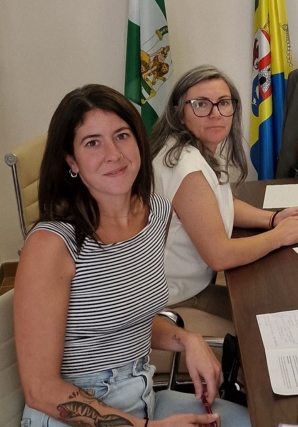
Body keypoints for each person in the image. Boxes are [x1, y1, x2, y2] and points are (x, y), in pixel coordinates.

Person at [14, 84, 250, 426]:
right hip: (71, 415)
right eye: (92, 143)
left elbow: (124, 320)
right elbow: (41, 389)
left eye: (122, 136)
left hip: (142, 399)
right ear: (71, 161)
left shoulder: (156, 213)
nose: (114, 154)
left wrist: (187, 340)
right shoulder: (52, 245)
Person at [150, 65, 298, 322]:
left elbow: (219, 204)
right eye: (201, 104)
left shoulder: (186, 148)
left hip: (186, 288)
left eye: (223, 103)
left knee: (279, 303)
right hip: (174, 302)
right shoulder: (187, 167)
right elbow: (220, 255)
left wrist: (273, 219)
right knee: (276, 320)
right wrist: (279, 237)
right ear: (180, 113)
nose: (215, 114)